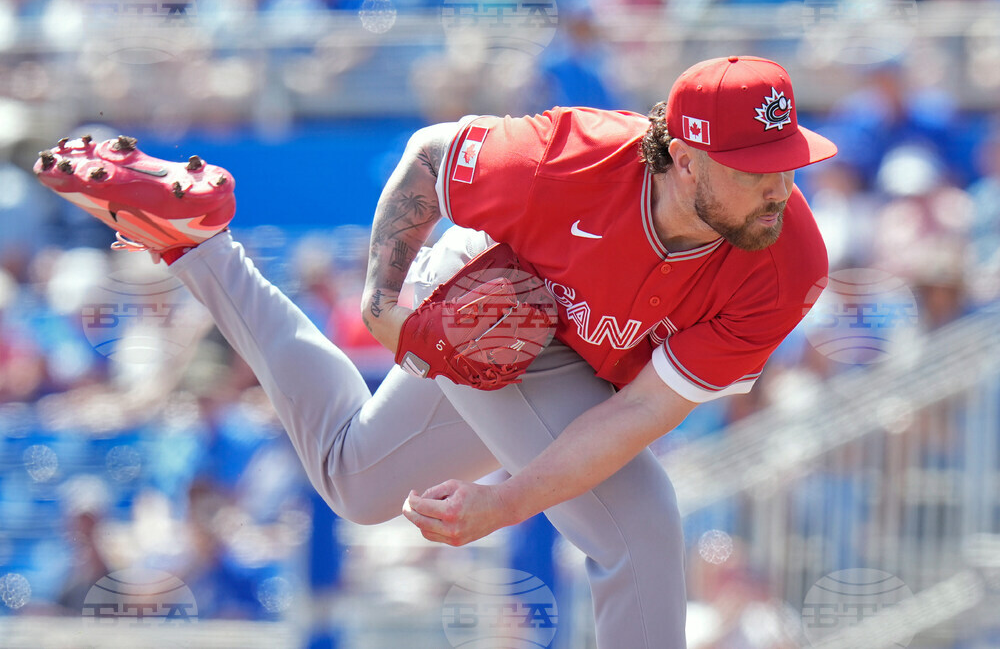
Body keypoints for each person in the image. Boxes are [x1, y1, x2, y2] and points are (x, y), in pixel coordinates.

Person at [35, 55, 837, 648]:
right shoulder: (567, 160)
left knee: (355, 477)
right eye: (757, 169)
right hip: (490, 297)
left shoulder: (787, 260)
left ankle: (201, 243)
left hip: (578, 358)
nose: (781, 187)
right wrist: (385, 307)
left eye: (788, 163)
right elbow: (428, 157)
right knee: (641, 527)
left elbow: (639, 413)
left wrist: (508, 499)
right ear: (685, 159)